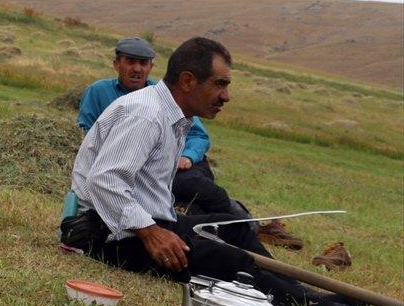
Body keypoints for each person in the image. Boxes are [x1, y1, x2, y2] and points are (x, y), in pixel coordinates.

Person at [61, 37, 400, 306]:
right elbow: (104, 180)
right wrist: (151, 232)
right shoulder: (146, 114)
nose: (226, 96)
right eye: (220, 84)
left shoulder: (171, 114)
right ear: (189, 81)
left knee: (235, 228)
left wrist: (159, 226)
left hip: (147, 223)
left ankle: (300, 293)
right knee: (233, 261)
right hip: (109, 235)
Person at [78, 36, 303, 248]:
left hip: (177, 166)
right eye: (130, 62)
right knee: (198, 195)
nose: (137, 69)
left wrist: (187, 156)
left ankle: (251, 227)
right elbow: (90, 136)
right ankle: (244, 233)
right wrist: (149, 230)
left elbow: (197, 135)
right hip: (134, 181)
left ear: (151, 67)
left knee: (203, 194)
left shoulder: (169, 95)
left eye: (143, 63)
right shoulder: (104, 94)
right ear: (116, 64)